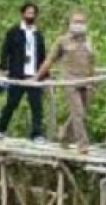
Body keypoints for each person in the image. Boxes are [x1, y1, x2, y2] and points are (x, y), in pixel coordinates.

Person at [36, 9, 95, 153]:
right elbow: (50, 60)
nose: (79, 25)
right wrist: (37, 77)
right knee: (78, 112)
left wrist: (94, 81)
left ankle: (64, 134)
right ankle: (83, 144)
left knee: (81, 113)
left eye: (81, 22)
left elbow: (92, 62)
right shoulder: (63, 41)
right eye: (76, 22)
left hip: (87, 82)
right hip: (70, 81)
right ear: (70, 23)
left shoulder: (88, 41)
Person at [0, 2, 46, 143]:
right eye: (28, 13)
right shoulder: (13, 32)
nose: (31, 15)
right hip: (17, 74)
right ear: (23, 14)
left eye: (33, 13)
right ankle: (1, 128)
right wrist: (2, 68)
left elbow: (43, 55)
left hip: (34, 75)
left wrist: (44, 75)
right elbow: (5, 51)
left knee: (36, 105)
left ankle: (36, 134)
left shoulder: (38, 34)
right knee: (12, 103)